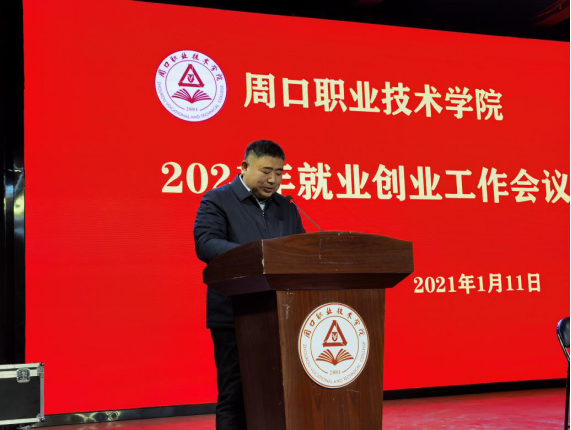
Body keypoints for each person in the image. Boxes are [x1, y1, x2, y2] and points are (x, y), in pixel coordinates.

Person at [194, 140, 306, 430]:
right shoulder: (217, 199)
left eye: (279, 173)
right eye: (266, 171)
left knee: (279, 393)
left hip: (280, 314)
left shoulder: (287, 207)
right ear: (244, 167)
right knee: (234, 394)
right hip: (234, 314)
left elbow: (302, 251)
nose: (273, 180)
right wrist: (259, 255)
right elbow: (206, 243)